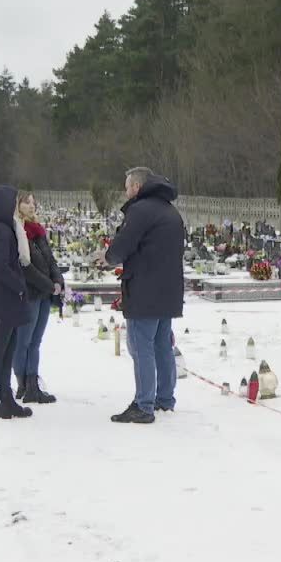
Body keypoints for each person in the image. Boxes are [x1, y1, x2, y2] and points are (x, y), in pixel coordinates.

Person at [103, 167, 185, 424]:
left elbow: (123, 245)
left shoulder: (140, 210)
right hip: (168, 289)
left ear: (137, 187)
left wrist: (107, 257)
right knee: (162, 345)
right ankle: (164, 397)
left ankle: (143, 404)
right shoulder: (170, 210)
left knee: (142, 348)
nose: (125, 192)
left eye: (127, 187)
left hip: (144, 289)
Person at [0, 185, 32, 420]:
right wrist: (19, 286)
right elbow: (0, 267)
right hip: (4, 297)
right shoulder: (1, 231)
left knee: (4, 352)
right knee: (0, 352)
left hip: (0, 296)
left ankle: (4, 399)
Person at [12, 192, 65, 404]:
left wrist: (58, 280)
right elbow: (26, 267)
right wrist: (48, 285)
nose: (31, 206)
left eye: (33, 202)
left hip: (45, 294)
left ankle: (33, 385)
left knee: (36, 342)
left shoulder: (38, 230)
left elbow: (50, 259)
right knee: (22, 342)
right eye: (27, 202)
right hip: (30, 293)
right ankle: (22, 384)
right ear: (18, 205)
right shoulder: (17, 231)